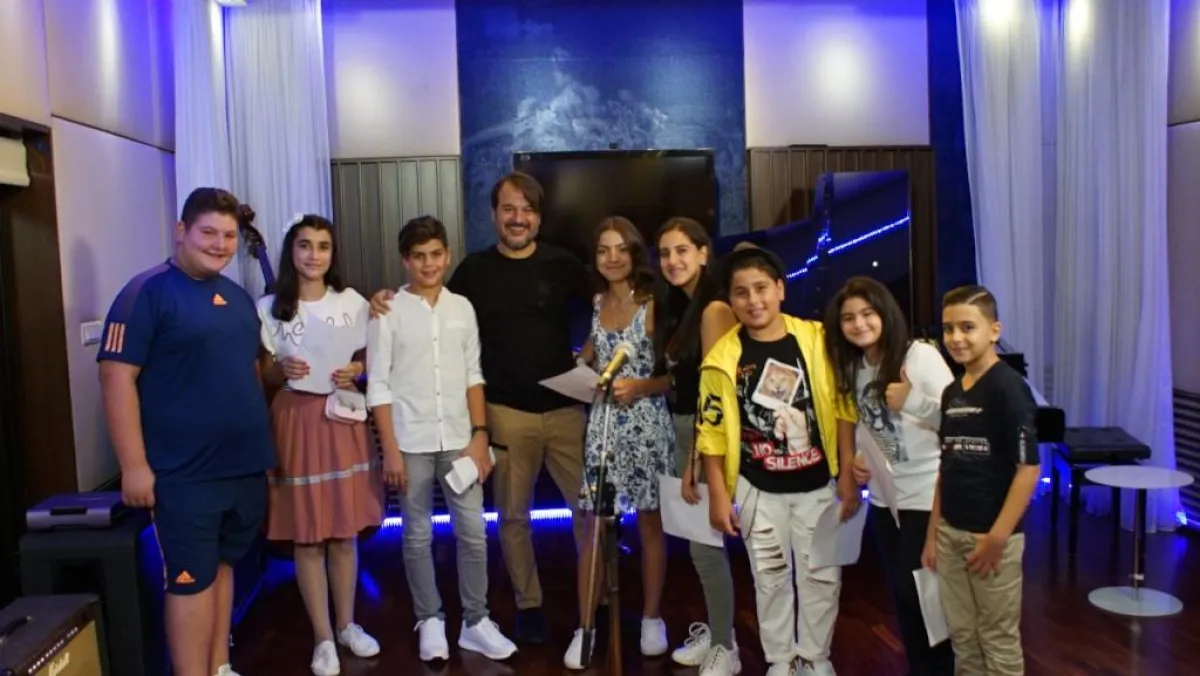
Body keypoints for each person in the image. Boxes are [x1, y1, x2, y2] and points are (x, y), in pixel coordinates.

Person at [368, 172, 592, 643]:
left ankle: (595, 607)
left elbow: (606, 305)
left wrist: (587, 358)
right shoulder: (472, 272)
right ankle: (529, 605)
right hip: (504, 412)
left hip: (567, 411)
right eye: (509, 208)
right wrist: (382, 300)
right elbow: (429, 308)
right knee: (512, 517)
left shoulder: (565, 265)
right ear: (494, 214)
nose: (518, 218)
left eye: (527, 209)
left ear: (539, 217)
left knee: (588, 512)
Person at [97, 187, 274, 676]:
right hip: (184, 474)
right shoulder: (146, 292)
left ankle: (219, 666)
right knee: (190, 581)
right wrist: (134, 466)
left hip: (242, 468)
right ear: (181, 231)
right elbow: (115, 378)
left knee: (223, 569)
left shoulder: (237, 299)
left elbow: (250, 373)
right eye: (208, 233)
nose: (220, 244)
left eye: (229, 236)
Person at [696, 244, 859, 676]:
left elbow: (843, 407)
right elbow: (711, 432)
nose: (754, 300)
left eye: (761, 288)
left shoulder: (818, 340)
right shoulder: (721, 360)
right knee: (769, 577)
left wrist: (847, 472)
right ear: (731, 301)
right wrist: (718, 494)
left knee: (822, 575)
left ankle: (814, 657)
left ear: (781, 289)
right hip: (758, 488)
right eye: (742, 292)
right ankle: (781, 660)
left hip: (818, 484)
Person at [367, 216, 518, 662]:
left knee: (473, 531)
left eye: (435, 254)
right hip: (409, 441)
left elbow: (474, 375)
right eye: (419, 256)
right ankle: (429, 619)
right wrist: (390, 450)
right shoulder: (387, 311)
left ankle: (475, 621)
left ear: (447, 255)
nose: (428, 264)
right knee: (416, 534)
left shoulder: (462, 308)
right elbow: (378, 385)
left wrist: (480, 435)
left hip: (459, 438)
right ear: (405, 260)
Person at [255, 214, 384, 676]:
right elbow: (263, 372)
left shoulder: (353, 302)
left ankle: (347, 625)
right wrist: (279, 370)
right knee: (308, 534)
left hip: (342, 416)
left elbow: (371, 354)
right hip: (296, 419)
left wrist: (358, 369)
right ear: (291, 251)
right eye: (305, 245)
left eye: (323, 246)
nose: (314, 254)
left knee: (343, 531)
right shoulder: (269, 306)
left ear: (333, 253)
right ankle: (322, 637)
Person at [824, 276, 955, 676]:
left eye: (868, 313)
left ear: (885, 313)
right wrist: (859, 459)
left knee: (923, 594)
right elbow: (873, 426)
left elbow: (960, 420)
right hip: (884, 499)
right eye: (849, 318)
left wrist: (913, 400)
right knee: (904, 595)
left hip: (926, 494)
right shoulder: (857, 366)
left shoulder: (919, 357)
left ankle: (943, 669)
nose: (859, 324)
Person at [563, 217, 675, 669]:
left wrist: (643, 386)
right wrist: (579, 369)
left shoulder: (654, 304)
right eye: (603, 250)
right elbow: (590, 356)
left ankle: (651, 618)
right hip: (604, 426)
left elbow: (676, 377)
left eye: (620, 249)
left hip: (647, 425)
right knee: (595, 523)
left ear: (634, 253)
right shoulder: (596, 304)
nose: (612, 258)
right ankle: (585, 627)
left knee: (650, 523)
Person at [921, 285, 1039, 676]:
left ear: (994, 330)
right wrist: (933, 535)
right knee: (962, 637)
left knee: (997, 639)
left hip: (991, 539)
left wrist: (997, 538)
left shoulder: (1009, 388)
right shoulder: (952, 392)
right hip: (950, 534)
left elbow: (1028, 469)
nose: (956, 338)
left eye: (967, 327)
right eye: (948, 328)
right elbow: (946, 467)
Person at [653, 217, 741, 675]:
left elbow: (715, 396)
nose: (673, 261)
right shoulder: (683, 307)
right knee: (698, 543)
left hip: (703, 435)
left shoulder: (713, 310)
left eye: (682, 250)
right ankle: (718, 629)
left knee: (706, 545)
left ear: (704, 253)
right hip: (684, 427)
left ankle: (727, 646)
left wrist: (693, 459)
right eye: (665, 253)